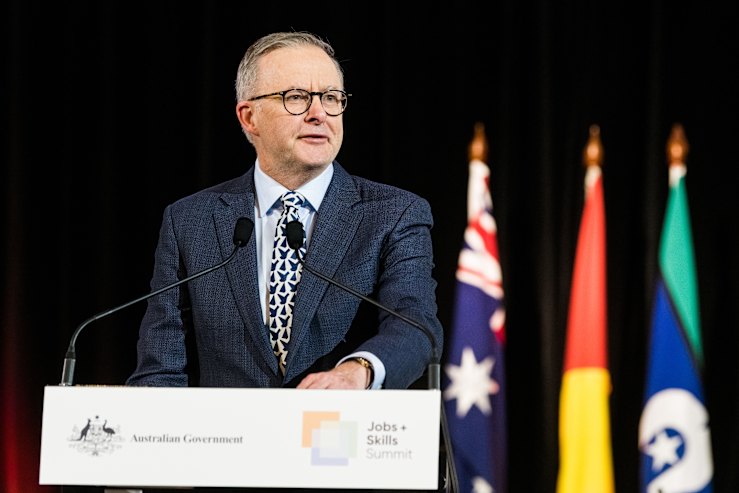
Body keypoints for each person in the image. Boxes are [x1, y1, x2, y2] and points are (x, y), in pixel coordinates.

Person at [126, 31, 443, 392]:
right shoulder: (190, 222)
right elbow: (160, 371)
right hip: (228, 429)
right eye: (296, 97)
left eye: (331, 98)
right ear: (249, 117)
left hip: (339, 426)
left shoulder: (394, 214)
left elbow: (415, 327)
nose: (318, 114)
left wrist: (358, 371)